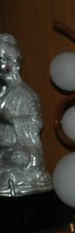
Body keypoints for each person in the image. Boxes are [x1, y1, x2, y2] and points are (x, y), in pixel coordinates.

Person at [0, 33, 53, 197]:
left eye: (1, 60)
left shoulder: (26, 94)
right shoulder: (3, 93)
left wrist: (11, 120)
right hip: (4, 147)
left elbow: (36, 122)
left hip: (22, 149)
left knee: (21, 158)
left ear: (13, 63)